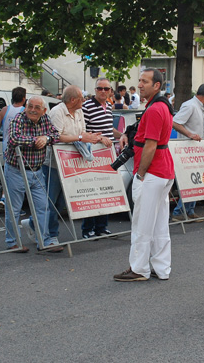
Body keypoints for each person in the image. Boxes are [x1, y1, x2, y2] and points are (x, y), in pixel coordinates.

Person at [113, 68, 175, 281]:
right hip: (162, 171)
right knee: (159, 223)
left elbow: (150, 145)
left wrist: (140, 173)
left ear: (156, 85)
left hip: (153, 172)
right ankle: (161, 268)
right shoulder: (160, 106)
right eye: (139, 81)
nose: (139, 85)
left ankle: (139, 269)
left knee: (142, 223)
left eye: (144, 81)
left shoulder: (155, 109)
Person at [39, 85, 101, 251]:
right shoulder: (57, 112)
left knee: (60, 202)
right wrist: (81, 137)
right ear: (73, 100)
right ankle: (50, 236)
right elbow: (56, 137)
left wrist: (90, 138)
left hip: (71, 163)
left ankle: (33, 224)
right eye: (81, 98)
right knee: (51, 202)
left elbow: (82, 132)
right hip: (53, 164)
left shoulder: (79, 112)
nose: (84, 101)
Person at [4, 96, 60, 252]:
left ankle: (44, 241)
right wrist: (37, 140)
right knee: (14, 208)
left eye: (37, 107)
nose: (33, 110)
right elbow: (14, 138)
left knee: (43, 207)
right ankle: (12, 242)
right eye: (30, 106)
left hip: (37, 170)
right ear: (26, 106)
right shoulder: (18, 119)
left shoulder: (46, 120)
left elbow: (56, 135)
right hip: (16, 170)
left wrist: (46, 138)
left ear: (44, 111)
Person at [171, 84, 204, 221]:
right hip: (188, 150)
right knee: (190, 181)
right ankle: (180, 211)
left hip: (197, 150)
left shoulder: (199, 107)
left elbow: (198, 126)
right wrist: (190, 134)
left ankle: (189, 210)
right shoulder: (190, 105)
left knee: (197, 180)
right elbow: (175, 123)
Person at [81, 78, 121, 238]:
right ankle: (87, 228)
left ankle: (101, 226)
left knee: (106, 190)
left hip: (107, 155)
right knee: (93, 191)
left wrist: (122, 134)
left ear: (110, 91)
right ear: (95, 89)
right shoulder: (86, 106)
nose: (103, 91)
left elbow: (109, 128)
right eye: (100, 89)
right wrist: (100, 139)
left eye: (106, 89)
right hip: (94, 154)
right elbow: (82, 131)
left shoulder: (109, 106)